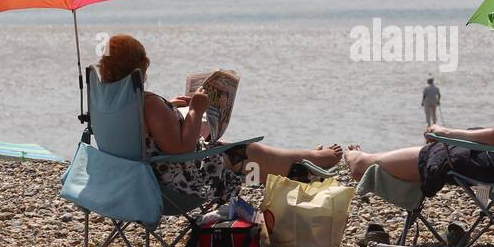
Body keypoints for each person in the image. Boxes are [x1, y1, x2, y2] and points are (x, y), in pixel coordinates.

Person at [97, 35, 342, 206]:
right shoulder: (148, 103)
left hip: (133, 179)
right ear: (140, 67)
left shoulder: (114, 102)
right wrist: (196, 109)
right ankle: (311, 163)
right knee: (245, 153)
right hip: (175, 185)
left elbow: (150, 135)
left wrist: (169, 107)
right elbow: (180, 149)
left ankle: (304, 164)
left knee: (226, 148)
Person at [347, 29, 494, 196]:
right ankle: (370, 161)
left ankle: (365, 163)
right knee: (458, 143)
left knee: (439, 151)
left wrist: (447, 131)